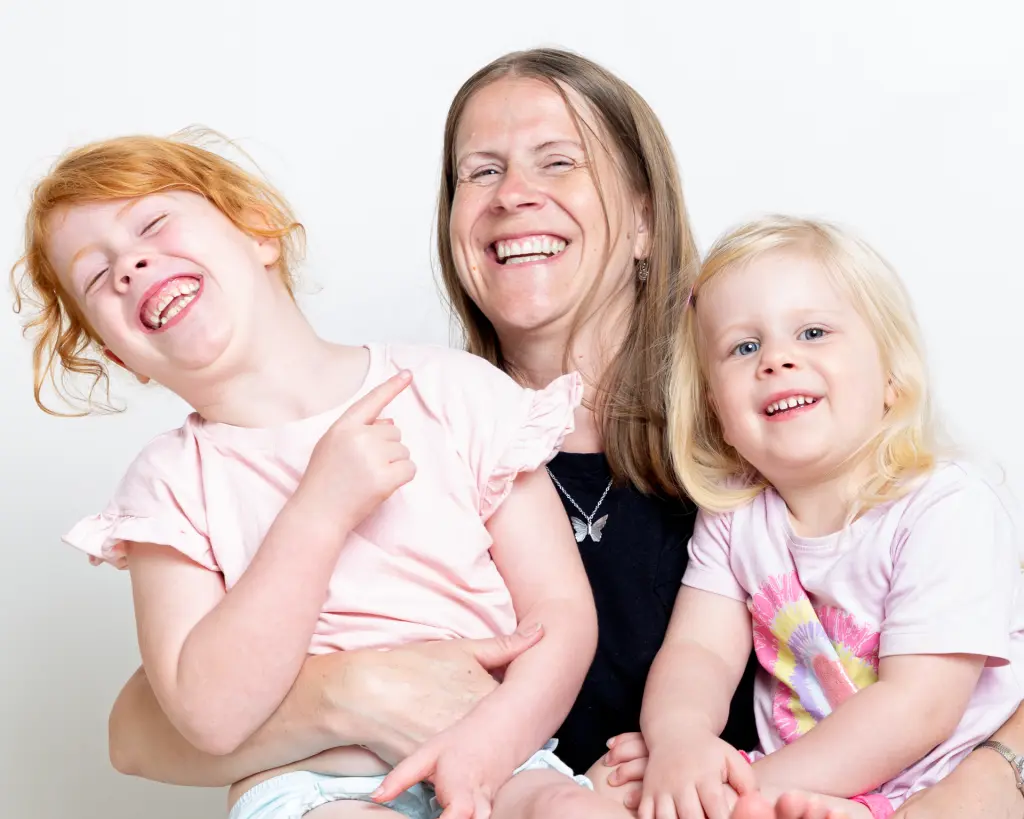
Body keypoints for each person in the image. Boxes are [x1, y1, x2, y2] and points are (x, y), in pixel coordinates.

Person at [63, 48, 1024, 819]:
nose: (513, 193)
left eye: (557, 161)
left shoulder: (763, 415)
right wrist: (347, 693)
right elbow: (137, 732)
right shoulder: (419, 431)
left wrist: (997, 769)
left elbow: (964, 626)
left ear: (646, 218)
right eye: (480, 172)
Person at [12, 133, 649, 819]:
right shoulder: (165, 487)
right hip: (316, 791)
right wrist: (318, 510)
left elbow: (559, 613)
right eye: (98, 277)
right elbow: (208, 715)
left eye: (152, 223)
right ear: (117, 351)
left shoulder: (454, 391)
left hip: (504, 756)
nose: (130, 264)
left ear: (259, 232)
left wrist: (490, 745)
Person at [637, 215, 1023, 819]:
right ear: (716, 410)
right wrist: (680, 741)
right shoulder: (737, 517)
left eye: (813, 332)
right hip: (809, 787)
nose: (777, 360)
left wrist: (746, 787)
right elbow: (698, 654)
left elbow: (918, 708)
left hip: (948, 783)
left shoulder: (945, 508)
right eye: (744, 347)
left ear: (891, 377)